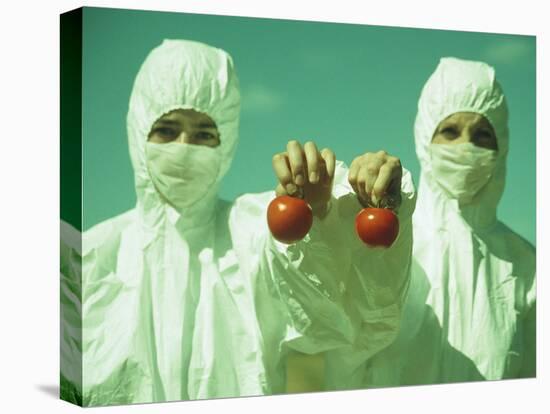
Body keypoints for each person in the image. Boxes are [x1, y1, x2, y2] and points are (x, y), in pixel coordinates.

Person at [60, 39, 417, 406]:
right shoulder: (92, 259)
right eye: (166, 130)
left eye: (203, 133)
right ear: (139, 132)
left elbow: (327, 321)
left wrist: (325, 214)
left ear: (226, 141)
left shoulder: (251, 230)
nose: (184, 147)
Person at [365, 57, 536, 387]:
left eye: (483, 134)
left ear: (502, 146)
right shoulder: (393, 243)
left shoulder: (528, 267)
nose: (466, 146)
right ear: (424, 139)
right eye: (450, 131)